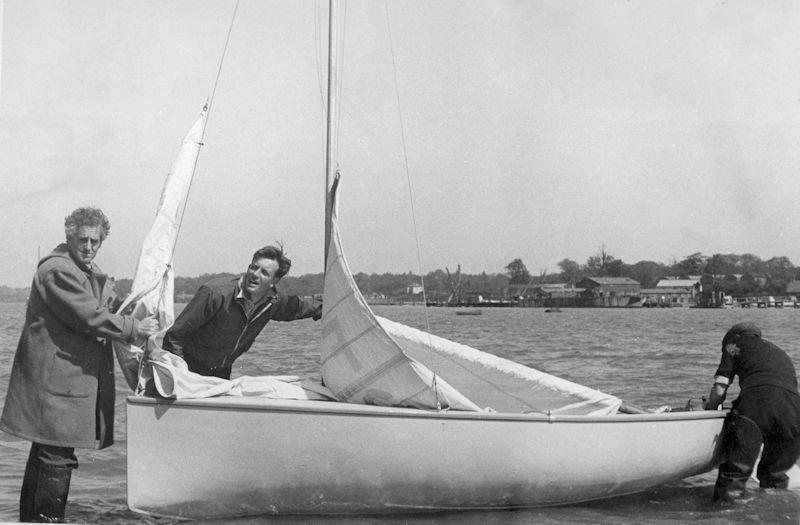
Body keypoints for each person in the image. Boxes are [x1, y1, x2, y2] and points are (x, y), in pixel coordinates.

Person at [0, 207, 159, 523]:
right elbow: (88, 316)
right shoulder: (59, 271)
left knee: (48, 453)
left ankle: (33, 521)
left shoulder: (84, 272)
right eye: (82, 239)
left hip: (62, 382)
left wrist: (138, 307)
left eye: (95, 241)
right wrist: (133, 328)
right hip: (56, 385)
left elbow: (103, 306)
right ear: (69, 237)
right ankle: (47, 520)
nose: (88, 247)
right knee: (55, 456)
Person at [163, 245, 322, 379]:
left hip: (221, 373)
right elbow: (174, 337)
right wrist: (181, 376)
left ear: (274, 282)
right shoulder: (215, 293)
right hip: (188, 370)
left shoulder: (273, 301)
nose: (255, 274)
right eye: (253, 267)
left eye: (264, 272)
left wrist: (327, 306)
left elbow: (298, 307)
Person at [704, 322, 800, 502]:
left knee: (734, 476)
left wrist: (710, 408)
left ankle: (725, 514)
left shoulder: (734, 345)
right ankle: (774, 512)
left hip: (756, 405)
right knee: (774, 479)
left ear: (734, 337)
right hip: (794, 412)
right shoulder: (779, 352)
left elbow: (720, 388)